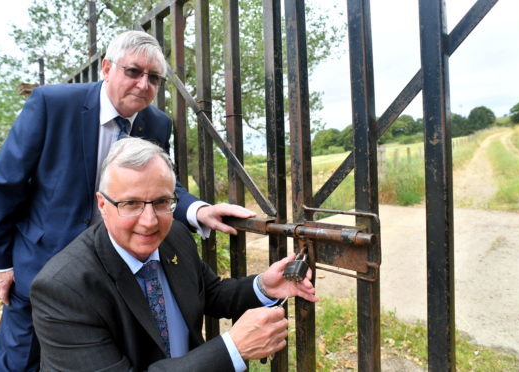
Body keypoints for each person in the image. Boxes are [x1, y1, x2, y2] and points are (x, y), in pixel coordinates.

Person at [0, 30, 256, 371]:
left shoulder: (156, 122)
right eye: (133, 72)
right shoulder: (52, 103)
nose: (143, 85)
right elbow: (7, 182)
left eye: (154, 78)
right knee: (21, 358)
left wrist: (199, 210)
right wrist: (0, 263)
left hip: (112, 266)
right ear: (107, 68)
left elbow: (161, 184)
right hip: (40, 261)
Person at [30, 137, 318, 371]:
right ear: (102, 205)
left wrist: (264, 286)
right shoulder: (62, 289)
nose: (150, 221)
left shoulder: (175, 235)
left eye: (161, 202)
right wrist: (233, 348)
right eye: (130, 204)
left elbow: (209, 293)